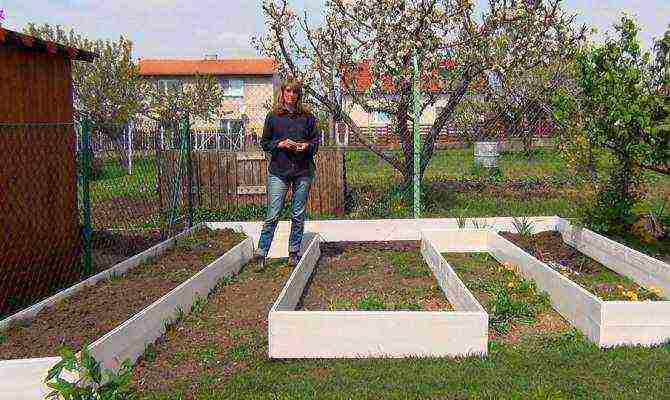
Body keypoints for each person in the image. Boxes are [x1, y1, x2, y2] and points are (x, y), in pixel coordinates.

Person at [252, 78, 320, 272]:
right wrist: (280, 144)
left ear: (299, 95)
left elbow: (315, 143)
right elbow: (264, 143)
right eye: (288, 92)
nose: (291, 95)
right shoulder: (273, 117)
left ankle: (294, 251)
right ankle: (261, 253)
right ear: (282, 93)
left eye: (295, 92)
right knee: (273, 213)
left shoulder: (308, 117)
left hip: (302, 170)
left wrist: (306, 146)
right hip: (279, 171)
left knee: (297, 214)